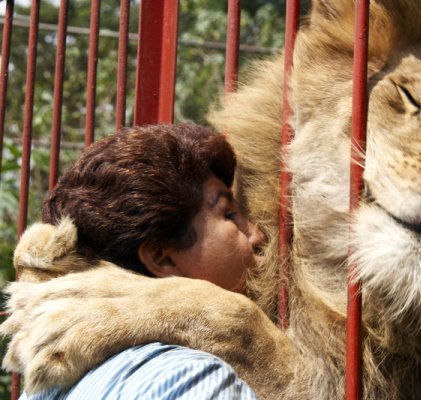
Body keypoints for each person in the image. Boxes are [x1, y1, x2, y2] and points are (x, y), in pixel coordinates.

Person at [17, 123, 265, 399]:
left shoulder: (49, 384)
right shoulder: (195, 379)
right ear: (162, 258)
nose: (257, 234)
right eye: (229, 214)